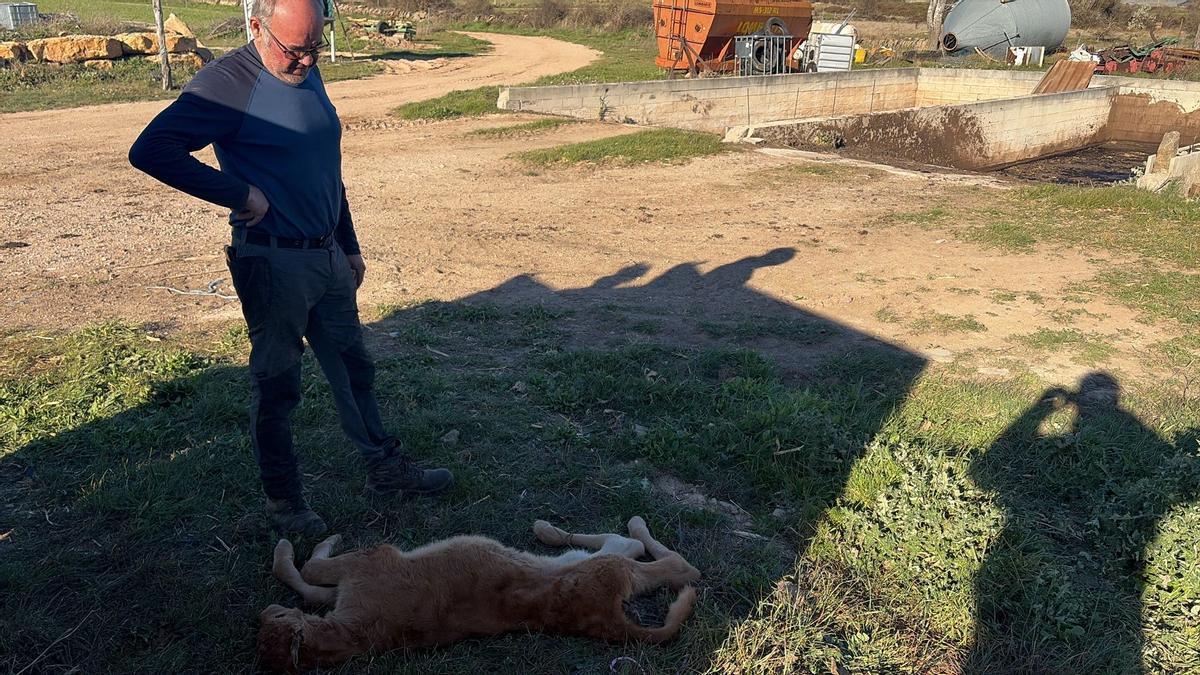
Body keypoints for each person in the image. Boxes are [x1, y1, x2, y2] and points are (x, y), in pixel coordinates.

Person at [128, 0, 453, 536]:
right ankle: (285, 502)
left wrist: (347, 244)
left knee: (354, 367)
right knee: (277, 383)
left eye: (315, 46)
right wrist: (237, 192)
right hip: (273, 260)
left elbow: (326, 169)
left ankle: (385, 468)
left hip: (326, 255)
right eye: (295, 49)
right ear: (256, 26)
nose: (307, 60)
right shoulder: (225, 83)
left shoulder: (305, 69)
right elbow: (151, 149)